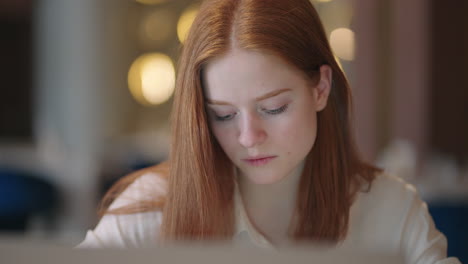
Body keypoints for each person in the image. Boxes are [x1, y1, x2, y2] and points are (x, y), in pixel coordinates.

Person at [78, 0, 460, 263]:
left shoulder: (390, 210)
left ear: (321, 88)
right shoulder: (150, 211)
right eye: (223, 116)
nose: (248, 137)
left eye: (273, 108)